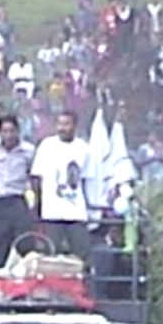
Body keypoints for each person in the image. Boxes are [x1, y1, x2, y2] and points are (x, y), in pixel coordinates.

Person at [31, 111, 95, 261]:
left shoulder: (84, 148)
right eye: (60, 124)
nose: (62, 128)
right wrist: (38, 204)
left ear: (74, 126)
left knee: (83, 256)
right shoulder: (47, 145)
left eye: (66, 124)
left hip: (76, 213)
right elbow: (36, 177)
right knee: (51, 256)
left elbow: (85, 180)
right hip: (52, 213)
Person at [0, 115, 36, 267]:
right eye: (5, 131)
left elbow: (33, 176)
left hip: (18, 199)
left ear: (18, 131)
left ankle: (23, 282)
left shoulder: (28, 150)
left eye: (12, 131)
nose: (8, 135)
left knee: (25, 242)